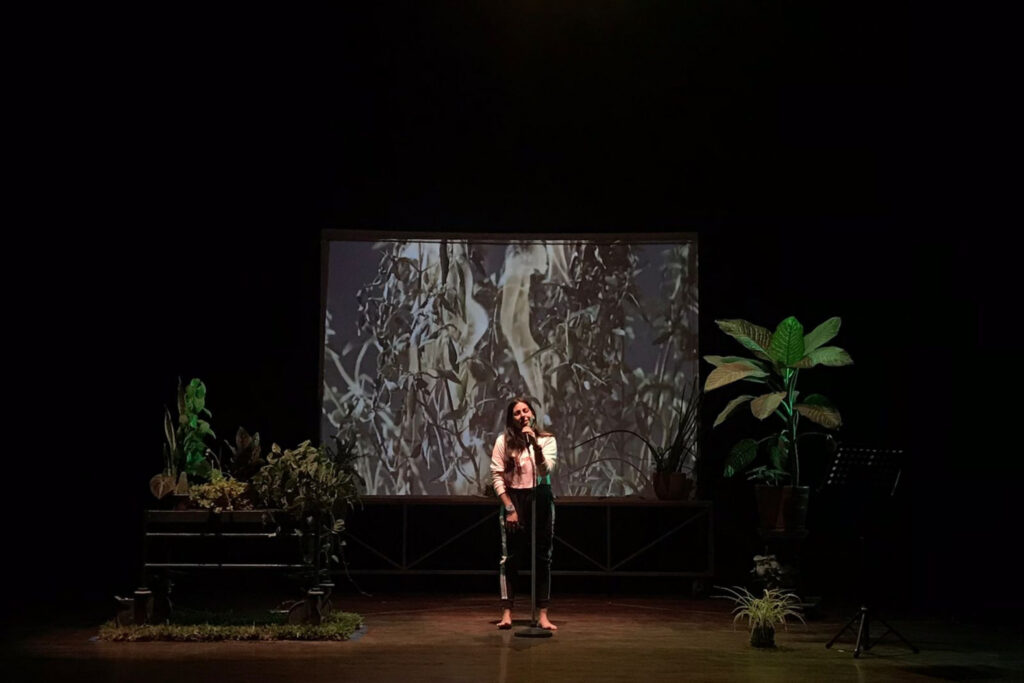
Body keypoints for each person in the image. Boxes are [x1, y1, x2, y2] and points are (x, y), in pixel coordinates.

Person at [491, 397, 558, 630]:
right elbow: (497, 476)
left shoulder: (546, 440)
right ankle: (507, 613)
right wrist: (510, 508)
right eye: (517, 413)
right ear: (511, 419)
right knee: (510, 557)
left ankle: (543, 614)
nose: (523, 416)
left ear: (533, 414)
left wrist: (535, 446)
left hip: (540, 497)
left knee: (542, 557)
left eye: (526, 411)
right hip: (514, 499)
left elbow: (545, 470)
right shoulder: (503, 442)